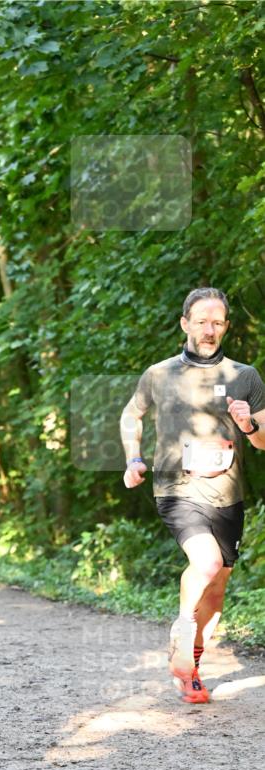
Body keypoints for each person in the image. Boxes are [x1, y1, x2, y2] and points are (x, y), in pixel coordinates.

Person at [120, 287, 265, 703]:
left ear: (226, 327)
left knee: (217, 590)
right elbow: (132, 414)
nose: (209, 329)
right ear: (185, 323)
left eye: (217, 321)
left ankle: (191, 668)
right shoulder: (160, 374)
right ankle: (182, 634)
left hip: (228, 495)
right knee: (206, 562)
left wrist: (249, 425)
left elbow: (263, 441)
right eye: (201, 320)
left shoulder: (245, 376)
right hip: (176, 488)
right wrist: (133, 459)